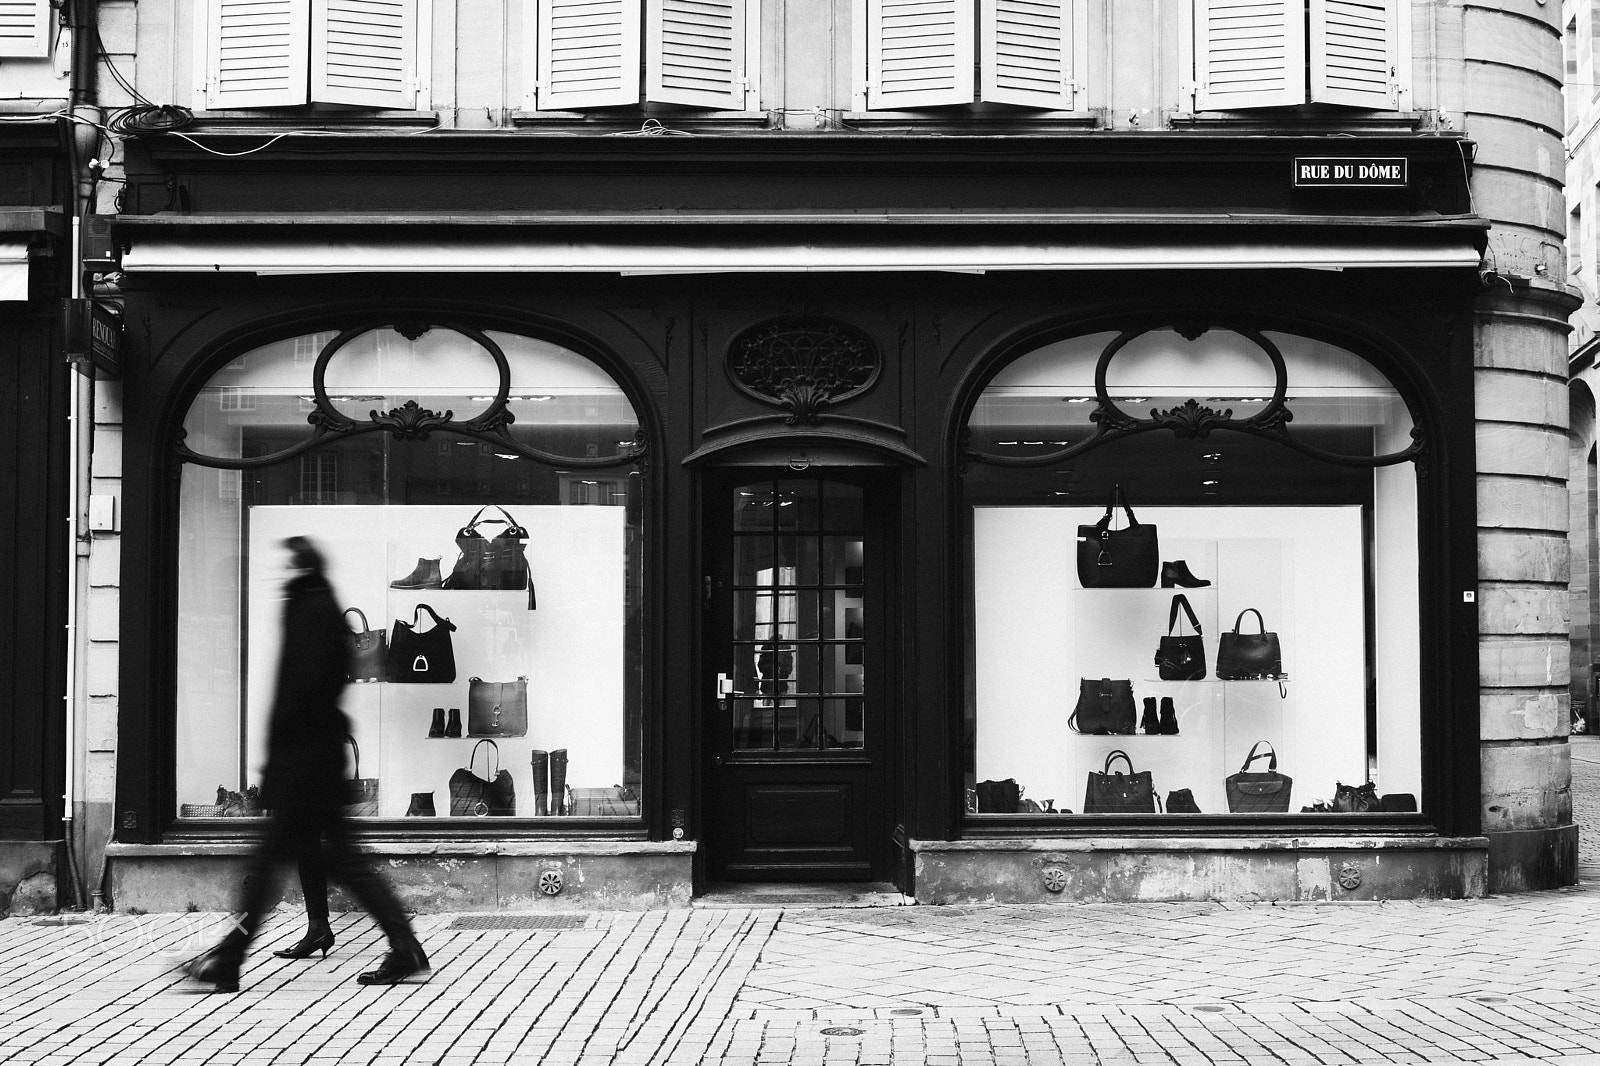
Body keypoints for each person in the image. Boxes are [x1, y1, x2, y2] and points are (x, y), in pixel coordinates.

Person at [183, 536, 429, 992]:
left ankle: (231, 958)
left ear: (300, 567)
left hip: (304, 762)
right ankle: (402, 947)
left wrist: (279, 760)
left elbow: (301, 692)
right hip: (312, 758)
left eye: (288, 564)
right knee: (336, 861)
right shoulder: (318, 606)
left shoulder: (309, 609)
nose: (282, 574)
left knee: (274, 863)